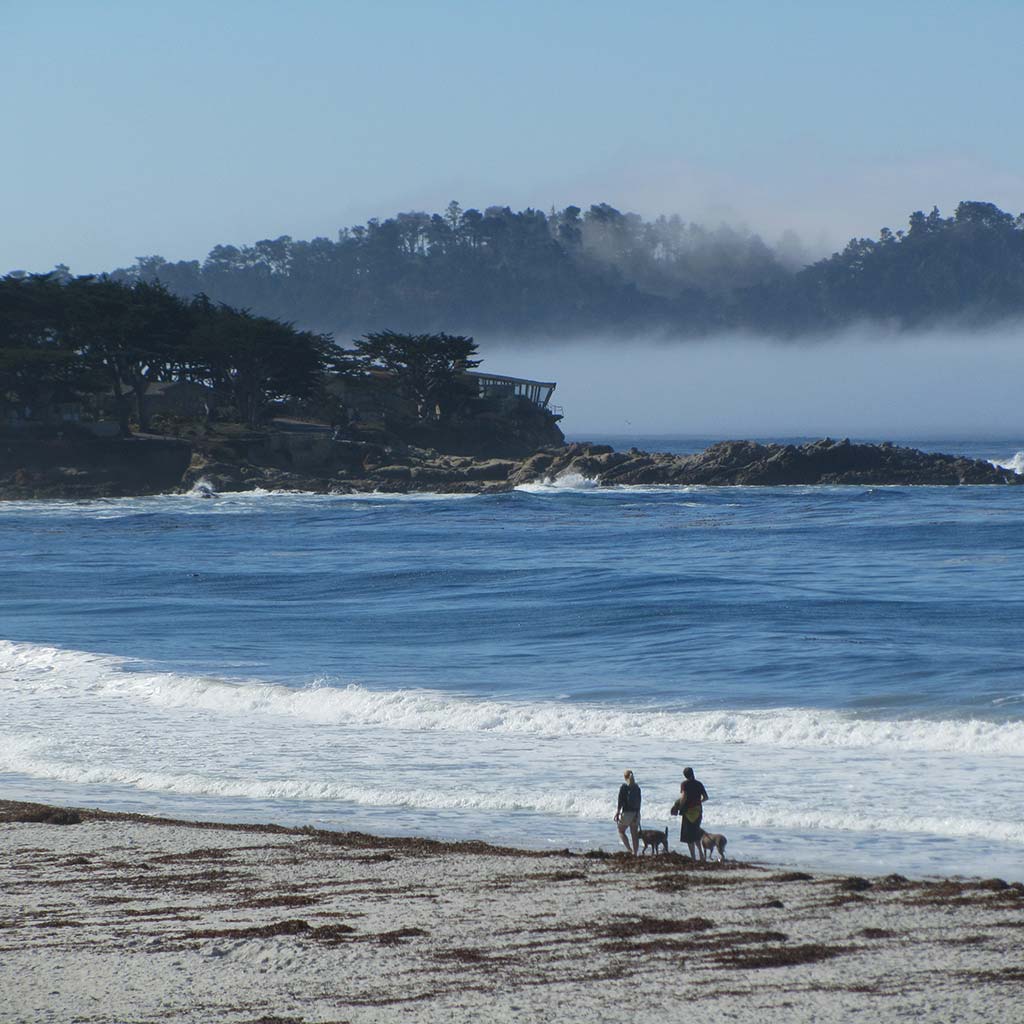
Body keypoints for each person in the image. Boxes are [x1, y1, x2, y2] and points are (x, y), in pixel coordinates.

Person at [670, 766, 709, 860]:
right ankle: (701, 854)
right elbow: (706, 797)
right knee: (696, 833)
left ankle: (693, 857)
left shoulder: (685, 784)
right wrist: (698, 803)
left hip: (688, 812)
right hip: (698, 811)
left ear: (685, 775)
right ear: (693, 773)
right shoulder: (699, 784)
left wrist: (679, 807)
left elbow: (684, 797)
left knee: (689, 837)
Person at [614, 769, 642, 855]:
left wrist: (618, 812)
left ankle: (629, 849)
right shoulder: (637, 787)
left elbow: (620, 801)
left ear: (625, 777)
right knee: (634, 835)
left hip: (626, 814)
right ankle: (635, 853)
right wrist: (637, 814)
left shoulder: (623, 787)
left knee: (621, 831)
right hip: (636, 813)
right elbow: (639, 802)